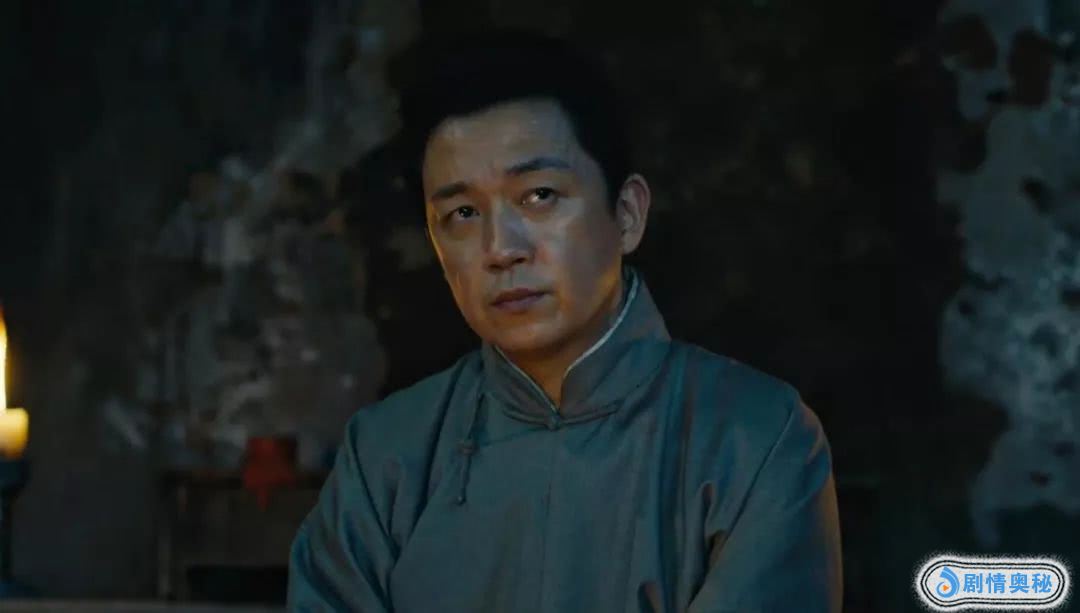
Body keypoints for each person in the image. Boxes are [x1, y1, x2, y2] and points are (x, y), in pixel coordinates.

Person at [288, 28, 842, 613]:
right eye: (463, 213)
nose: (501, 248)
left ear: (626, 215)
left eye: (539, 196)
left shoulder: (755, 439)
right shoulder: (386, 456)